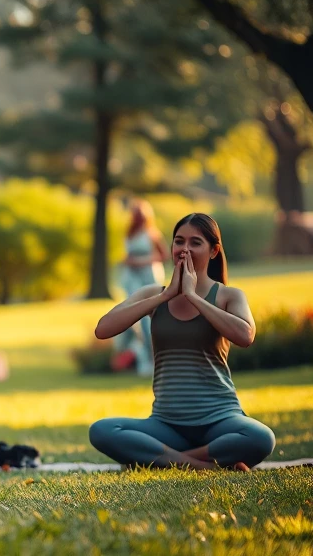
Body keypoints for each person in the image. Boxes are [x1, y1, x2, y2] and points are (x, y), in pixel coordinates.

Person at [89, 213, 275, 470]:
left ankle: (162, 458)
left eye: (195, 242)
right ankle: (203, 465)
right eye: (179, 241)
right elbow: (103, 329)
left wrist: (193, 296)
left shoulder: (228, 296)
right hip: (165, 424)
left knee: (261, 438)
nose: (184, 249)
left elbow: (246, 336)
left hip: (220, 420)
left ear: (214, 251)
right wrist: (165, 296)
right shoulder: (154, 294)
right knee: (102, 430)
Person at [113, 199, 169, 375]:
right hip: (132, 278)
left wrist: (140, 261)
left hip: (148, 276)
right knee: (134, 318)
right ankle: (140, 357)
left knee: (149, 319)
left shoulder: (151, 233)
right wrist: (127, 261)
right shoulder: (129, 234)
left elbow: (163, 255)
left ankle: (155, 359)